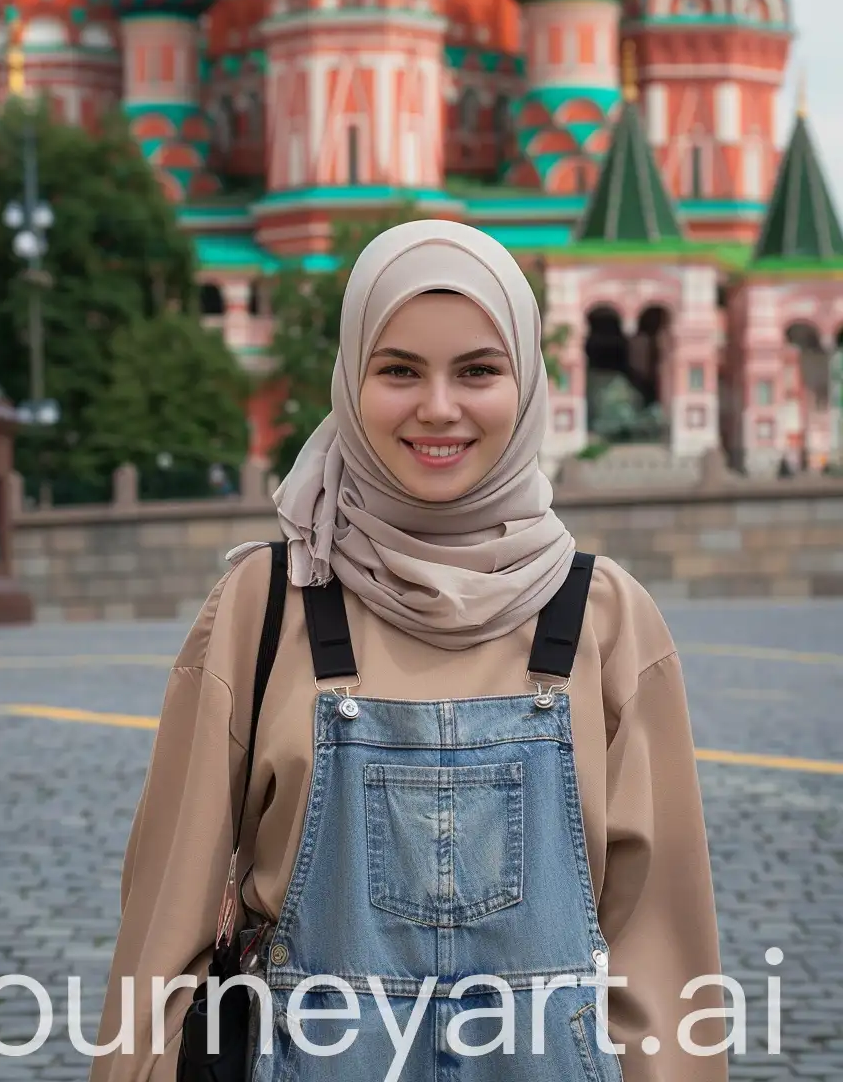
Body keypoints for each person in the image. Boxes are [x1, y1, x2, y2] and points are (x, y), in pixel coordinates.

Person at [89, 221, 724, 1082]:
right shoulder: (266, 606)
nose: (437, 407)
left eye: (477, 370)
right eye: (398, 370)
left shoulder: (606, 617)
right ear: (350, 380)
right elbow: (163, 939)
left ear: (527, 379)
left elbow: (663, 960)